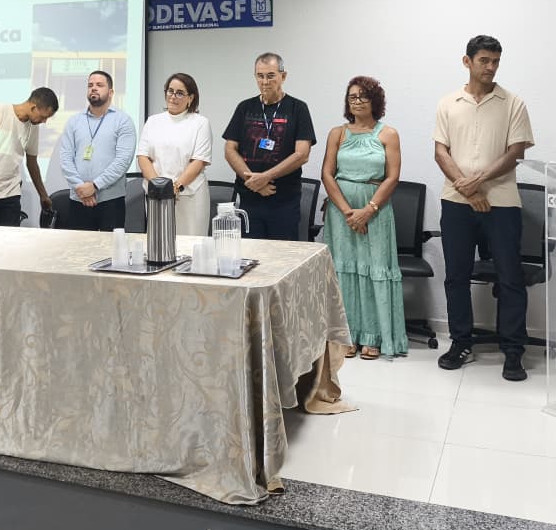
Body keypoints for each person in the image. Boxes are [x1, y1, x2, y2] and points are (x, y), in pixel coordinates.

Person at [434, 35, 535, 381]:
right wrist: (467, 186)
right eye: (484, 61)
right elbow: (440, 152)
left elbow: (515, 151)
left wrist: (477, 183)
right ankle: (461, 342)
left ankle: (513, 351)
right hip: (456, 202)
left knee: (510, 278)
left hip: (503, 203)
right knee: (456, 277)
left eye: (495, 61)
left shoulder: (513, 103)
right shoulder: (449, 102)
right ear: (467, 61)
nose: (490, 67)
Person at [321, 76, 407, 359]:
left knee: (374, 271)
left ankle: (374, 336)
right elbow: (326, 174)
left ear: (375, 101)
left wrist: (368, 210)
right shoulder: (337, 133)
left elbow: (393, 177)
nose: (356, 101)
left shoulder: (388, 134)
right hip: (341, 212)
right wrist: (348, 212)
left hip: (375, 211)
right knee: (344, 271)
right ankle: (348, 334)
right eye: (352, 97)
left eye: (363, 96)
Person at [223, 52, 316, 240]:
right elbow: (230, 149)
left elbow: (302, 154)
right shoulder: (245, 107)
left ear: (283, 76)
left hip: (283, 201)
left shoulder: (298, 108)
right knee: (250, 259)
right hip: (250, 199)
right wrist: (254, 183)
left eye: (271, 75)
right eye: (260, 76)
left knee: (282, 259)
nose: (265, 81)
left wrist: (265, 177)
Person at [137, 72, 213, 236]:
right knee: (160, 246)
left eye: (180, 93)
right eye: (170, 91)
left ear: (190, 98)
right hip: (157, 196)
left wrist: (174, 188)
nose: (173, 96)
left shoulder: (200, 123)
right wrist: (160, 187)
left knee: (191, 247)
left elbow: (199, 161)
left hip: (189, 196)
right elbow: (143, 156)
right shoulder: (153, 121)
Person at [60, 71, 136, 231]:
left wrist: (94, 186)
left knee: (111, 252)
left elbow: (123, 161)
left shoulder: (123, 121)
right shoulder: (74, 122)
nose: (93, 88)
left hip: (111, 200)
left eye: (99, 85)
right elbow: (66, 158)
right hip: (78, 198)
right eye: (90, 85)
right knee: (80, 252)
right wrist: (81, 188)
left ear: (111, 92)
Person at [0, 88, 58, 226]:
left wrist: (43, 195)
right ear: (33, 107)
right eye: (43, 116)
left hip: (10, 192)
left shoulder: (33, 127)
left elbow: (32, 163)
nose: (44, 121)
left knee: (10, 241)